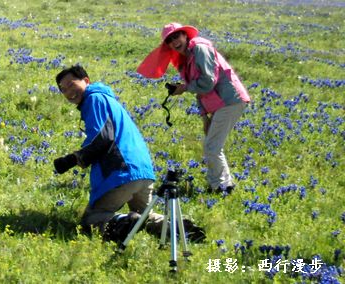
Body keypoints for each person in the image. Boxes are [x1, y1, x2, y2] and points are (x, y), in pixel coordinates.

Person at [52, 65, 166, 242]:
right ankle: (175, 226)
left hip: (121, 171)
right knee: (144, 216)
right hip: (143, 171)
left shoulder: (94, 99)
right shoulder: (108, 100)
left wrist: (74, 159)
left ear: (86, 81)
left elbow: (103, 138)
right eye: (63, 89)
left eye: (71, 84)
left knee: (92, 219)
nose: (68, 92)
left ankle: (121, 222)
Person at [137, 23, 251, 192]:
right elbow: (200, 90)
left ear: (185, 35)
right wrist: (204, 117)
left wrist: (184, 88)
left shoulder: (199, 49)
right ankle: (225, 185)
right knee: (213, 145)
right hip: (219, 103)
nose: (175, 41)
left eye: (177, 36)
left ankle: (219, 187)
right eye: (170, 40)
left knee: (212, 146)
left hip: (229, 99)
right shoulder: (186, 58)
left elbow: (208, 81)